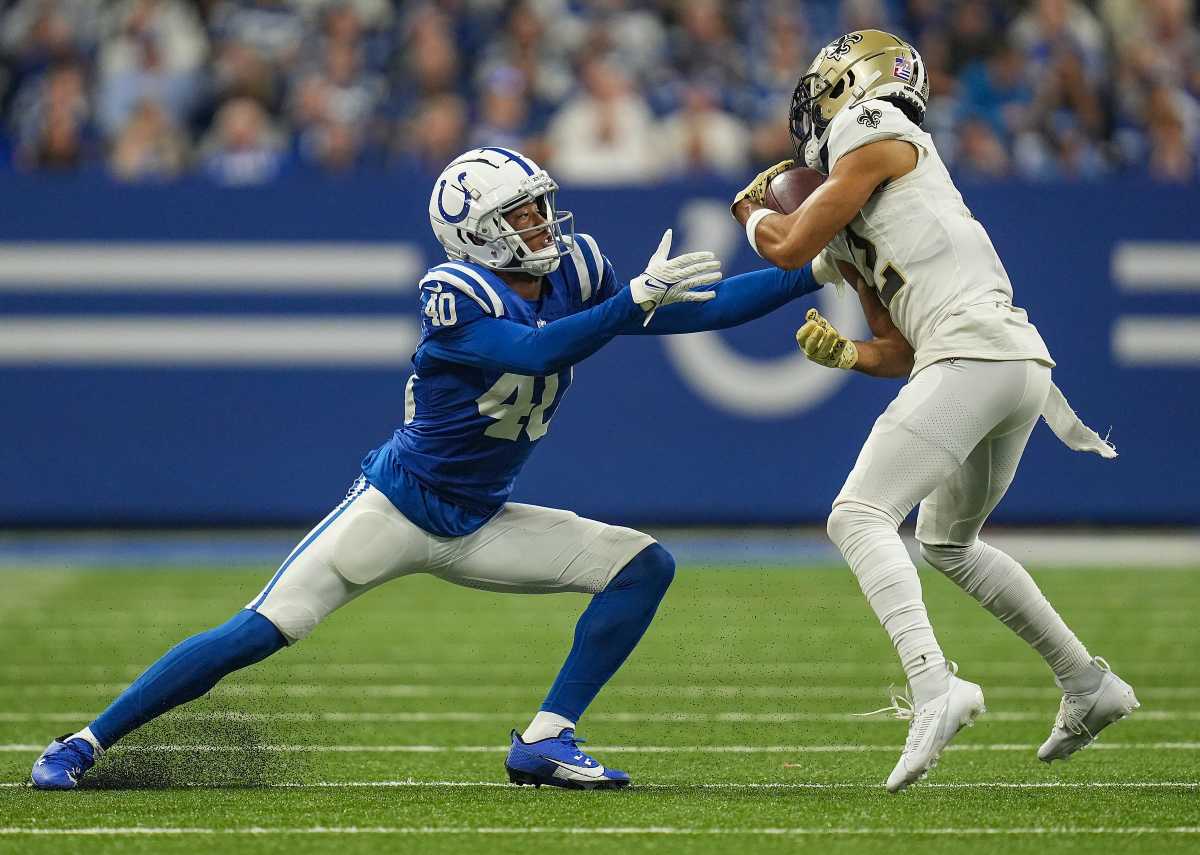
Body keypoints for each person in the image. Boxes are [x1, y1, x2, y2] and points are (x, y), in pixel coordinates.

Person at [33, 145, 833, 791]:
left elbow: (712, 308)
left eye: (539, 203)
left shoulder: (576, 270)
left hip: (482, 518)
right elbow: (535, 348)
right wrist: (628, 304)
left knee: (642, 566)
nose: (542, 220)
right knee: (259, 629)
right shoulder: (454, 291)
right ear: (479, 233)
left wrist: (816, 266)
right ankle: (82, 742)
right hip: (396, 509)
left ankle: (547, 738)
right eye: (520, 213)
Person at [730, 30, 1138, 793]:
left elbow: (784, 245)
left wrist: (749, 211)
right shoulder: (863, 203)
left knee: (856, 514)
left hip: (979, 349)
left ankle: (933, 684)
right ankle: (1087, 683)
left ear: (854, 86)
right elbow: (900, 348)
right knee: (948, 540)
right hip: (1011, 362)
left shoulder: (875, 126)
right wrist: (849, 356)